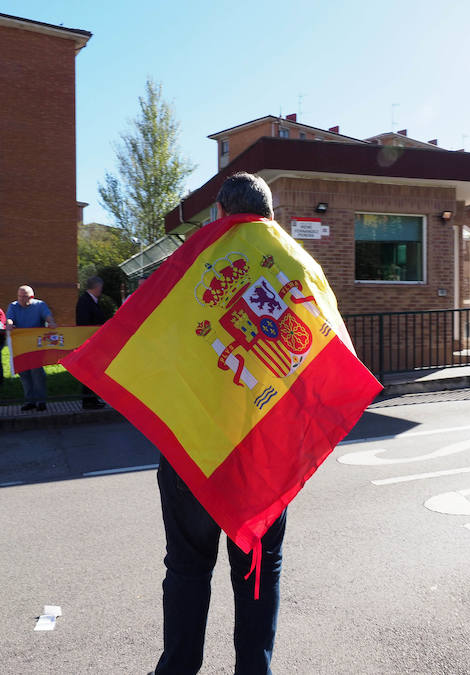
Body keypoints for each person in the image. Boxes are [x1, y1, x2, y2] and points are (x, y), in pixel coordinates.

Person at [153, 172, 287, 675]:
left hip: (192, 444)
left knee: (187, 567)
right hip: (262, 450)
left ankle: (178, 668)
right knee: (257, 569)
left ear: (220, 215)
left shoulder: (186, 267)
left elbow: (152, 345)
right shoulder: (298, 269)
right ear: (268, 214)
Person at [6, 285, 56, 412]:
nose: (21, 299)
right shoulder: (13, 305)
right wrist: (10, 324)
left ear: (32, 297)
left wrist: (50, 322)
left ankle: (41, 401)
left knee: (37, 372)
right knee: (24, 373)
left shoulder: (40, 305)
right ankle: (30, 401)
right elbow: (9, 318)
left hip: (36, 346)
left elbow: (47, 316)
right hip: (20, 345)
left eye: (25, 297)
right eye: (20, 297)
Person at [75, 276, 115, 409]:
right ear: (97, 287)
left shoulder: (91, 301)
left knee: (93, 372)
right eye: (101, 288)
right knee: (89, 372)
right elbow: (84, 323)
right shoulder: (85, 302)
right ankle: (88, 401)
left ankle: (92, 399)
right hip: (89, 343)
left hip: (93, 343)